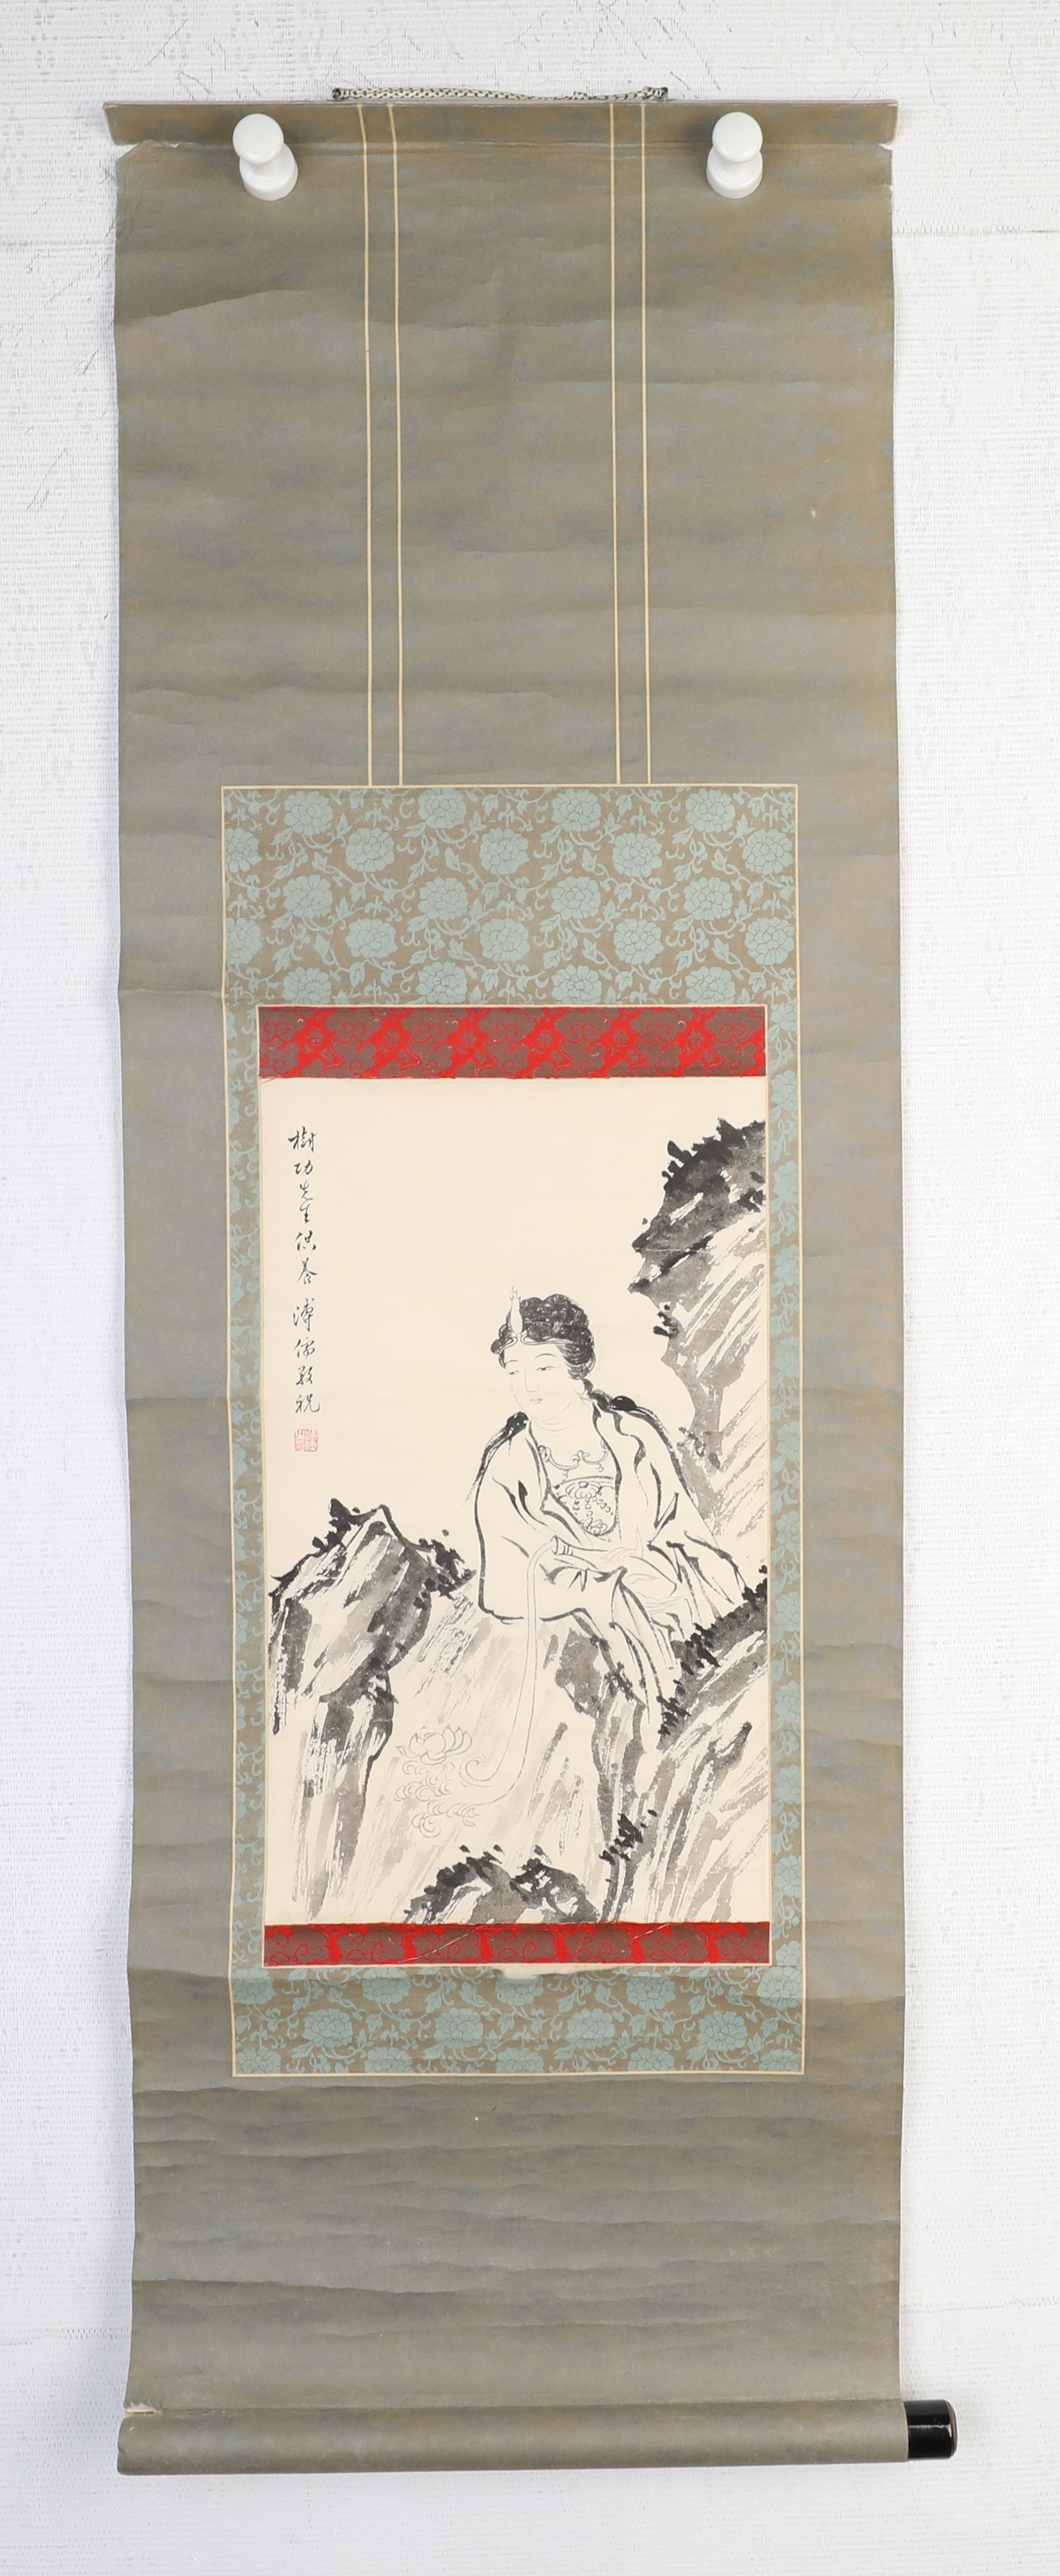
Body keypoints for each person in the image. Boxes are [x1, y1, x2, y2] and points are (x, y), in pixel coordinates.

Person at [462, 1291, 746, 1909]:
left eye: (543, 1367)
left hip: (674, 1603)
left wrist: (652, 1570)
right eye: (516, 1370)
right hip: (584, 1646)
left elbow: (685, 1531)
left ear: (578, 1365)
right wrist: (594, 1587)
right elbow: (504, 1587)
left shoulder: (633, 1436)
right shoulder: (508, 1466)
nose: (530, 1385)